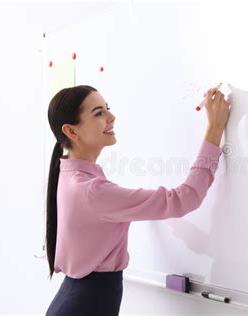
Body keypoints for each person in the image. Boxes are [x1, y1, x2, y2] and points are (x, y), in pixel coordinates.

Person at [45, 84, 230, 315]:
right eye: (98, 113)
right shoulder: (92, 191)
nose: (111, 117)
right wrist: (214, 130)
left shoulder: (69, 176)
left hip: (76, 301)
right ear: (71, 132)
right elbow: (186, 199)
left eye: (107, 108)